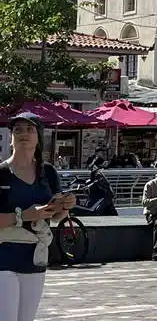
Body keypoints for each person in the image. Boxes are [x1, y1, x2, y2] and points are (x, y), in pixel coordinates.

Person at [0, 113, 76, 321]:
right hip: (3, 258)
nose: (24, 134)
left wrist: (66, 206)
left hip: (35, 257)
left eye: (30, 129)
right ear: (11, 137)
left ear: (39, 137)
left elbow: (57, 218)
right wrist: (24, 216)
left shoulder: (48, 173)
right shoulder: (2, 173)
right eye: (18, 130)